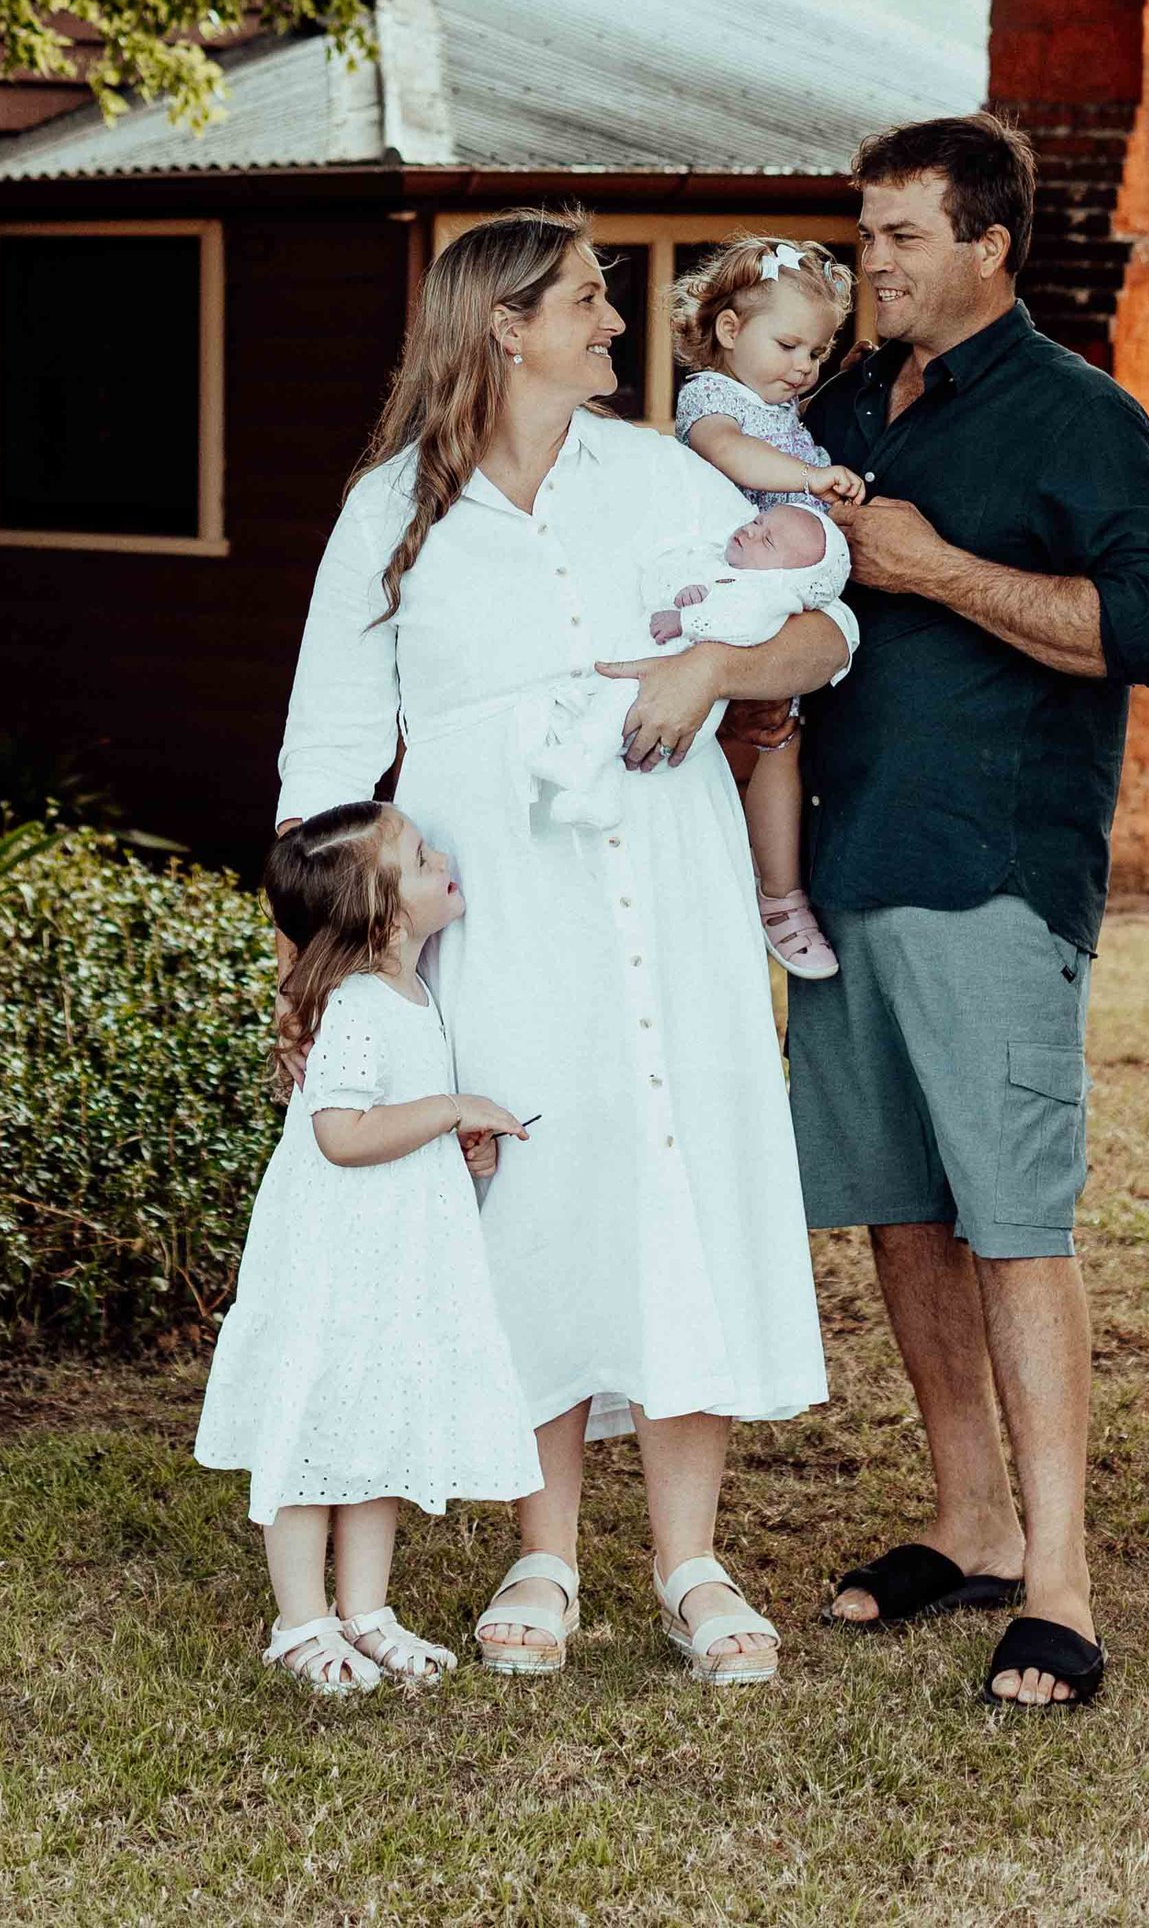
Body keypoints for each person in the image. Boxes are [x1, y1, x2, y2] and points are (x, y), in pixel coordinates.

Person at [277, 209, 852, 1688]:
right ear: (503, 325)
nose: (617, 322)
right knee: (536, 1177)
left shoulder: (662, 472)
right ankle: (545, 1549)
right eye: (591, 300)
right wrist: (336, 964)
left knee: (677, 1167)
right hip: (495, 896)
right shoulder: (391, 507)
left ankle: (692, 1558)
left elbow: (824, 634)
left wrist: (712, 663)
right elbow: (331, 753)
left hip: (666, 872)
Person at [787, 114, 1149, 1713]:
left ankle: (1067, 1580)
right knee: (902, 1208)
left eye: (898, 236)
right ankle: (968, 1522)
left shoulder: (1080, 416)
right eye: (862, 233)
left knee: (1015, 1221)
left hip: (993, 870)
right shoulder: (829, 406)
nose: (868, 261)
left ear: (987, 247)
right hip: (840, 871)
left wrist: (940, 568)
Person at [193, 801, 541, 1695]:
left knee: (375, 1424)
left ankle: (366, 1611)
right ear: (385, 916)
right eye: (424, 857)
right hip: (335, 1261)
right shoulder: (355, 1003)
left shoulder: (415, 993)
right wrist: (451, 1111)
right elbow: (341, 1131)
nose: (445, 858)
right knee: (316, 1431)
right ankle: (300, 1622)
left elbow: (399, 1115)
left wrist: (459, 1140)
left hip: (393, 1257)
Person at [670, 237, 866, 980]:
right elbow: (731, 456)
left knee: (781, 740)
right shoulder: (714, 400)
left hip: (773, 602)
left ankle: (779, 897)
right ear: (728, 332)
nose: (803, 367)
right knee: (742, 744)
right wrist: (812, 480)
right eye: (788, 345)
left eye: (816, 353)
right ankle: (746, 894)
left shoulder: (783, 409)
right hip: (727, 587)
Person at [524, 496, 852, 833]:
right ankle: (597, 797)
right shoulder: (715, 561)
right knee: (601, 708)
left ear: (788, 577)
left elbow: (746, 624)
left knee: (614, 709)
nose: (751, 532)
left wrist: (688, 620)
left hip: (671, 700)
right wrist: (683, 587)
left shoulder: (768, 596)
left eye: (767, 540)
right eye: (758, 522)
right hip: (646, 670)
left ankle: (580, 759)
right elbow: (658, 574)